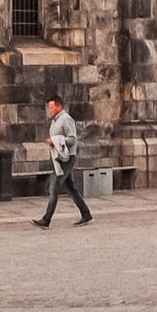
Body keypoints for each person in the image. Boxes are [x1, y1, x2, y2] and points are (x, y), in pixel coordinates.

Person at [35, 97, 93, 227]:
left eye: (51, 107)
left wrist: (56, 140)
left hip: (67, 159)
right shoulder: (55, 120)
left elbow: (73, 139)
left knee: (54, 187)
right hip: (59, 158)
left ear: (59, 106)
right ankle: (86, 214)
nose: (49, 110)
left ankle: (46, 219)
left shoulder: (66, 119)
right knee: (71, 188)